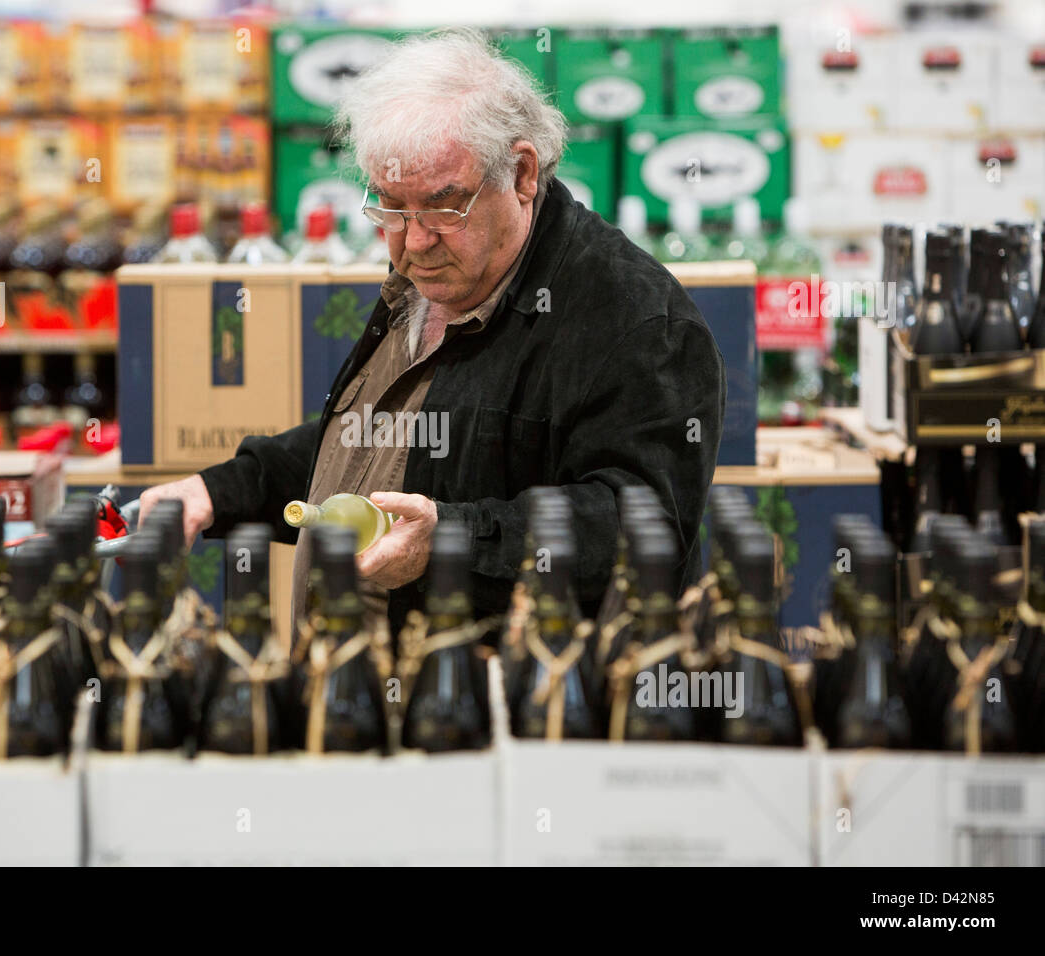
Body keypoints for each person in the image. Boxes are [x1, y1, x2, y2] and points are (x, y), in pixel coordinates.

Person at [139, 28, 725, 634]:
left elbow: (640, 524)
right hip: (364, 694)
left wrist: (450, 542)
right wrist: (220, 491)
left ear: (523, 174)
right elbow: (377, 440)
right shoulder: (437, 275)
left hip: (512, 705)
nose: (414, 240)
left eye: (445, 206)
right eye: (391, 206)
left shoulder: (639, 322)